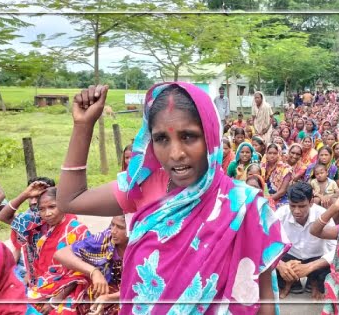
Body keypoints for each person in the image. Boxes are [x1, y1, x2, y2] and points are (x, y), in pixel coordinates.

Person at [56, 83, 289, 314]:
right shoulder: (142, 186)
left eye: (188, 136)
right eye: (161, 139)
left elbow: (261, 298)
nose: (176, 153)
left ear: (210, 136)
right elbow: (71, 200)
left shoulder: (246, 207)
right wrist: (83, 125)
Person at [24, 187, 90, 315]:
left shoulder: (77, 230)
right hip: (47, 286)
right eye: (42, 209)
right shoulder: (46, 232)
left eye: (52, 207)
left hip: (73, 289)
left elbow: (81, 273)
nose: (47, 213)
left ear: (63, 205)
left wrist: (54, 301)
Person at [54, 215, 128, 315]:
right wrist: (94, 272)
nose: (113, 231)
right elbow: (61, 254)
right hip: (109, 289)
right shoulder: (106, 238)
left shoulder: (143, 247)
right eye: (112, 225)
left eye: (120, 227)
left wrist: (110, 298)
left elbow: (143, 286)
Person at [274, 182, 336, 300]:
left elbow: (336, 249)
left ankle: (313, 281)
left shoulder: (323, 215)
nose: (296, 211)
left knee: (333, 267)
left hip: (316, 258)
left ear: (311, 202)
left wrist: (310, 267)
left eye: (302, 206)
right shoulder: (281, 213)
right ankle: (290, 282)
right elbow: (266, 243)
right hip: (289, 258)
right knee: (268, 265)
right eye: (292, 206)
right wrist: (280, 265)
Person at [0, 176, 56, 282]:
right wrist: (24, 195)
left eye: (38, 197)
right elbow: (3, 217)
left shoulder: (61, 218)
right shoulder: (29, 219)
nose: (33, 202)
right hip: (29, 267)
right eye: (30, 197)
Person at [261, 143, 292, 208]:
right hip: (264, 195)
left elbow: (282, 191)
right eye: (270, 153)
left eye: (275, 153)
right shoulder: (262, 167)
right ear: (266, 154)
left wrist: (268, 200)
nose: (272, 156)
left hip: (280, 197)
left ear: (279, 154)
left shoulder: (286, 169)